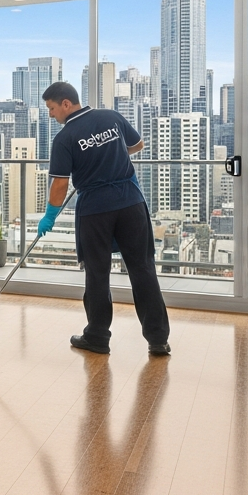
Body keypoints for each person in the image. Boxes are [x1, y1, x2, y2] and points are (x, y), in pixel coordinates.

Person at [35, 81, 170, 357]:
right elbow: (137, 144)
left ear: (65, 104)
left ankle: (97, 337)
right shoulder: (111, 117)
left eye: (51, 108)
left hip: (95, 210)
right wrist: (109, 156)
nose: (50, 115)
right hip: (131, 203)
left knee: (98, 274)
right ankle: (158, 340)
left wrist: (49, 215)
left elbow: (60, 184)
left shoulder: (65, 138)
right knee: (142, 270)